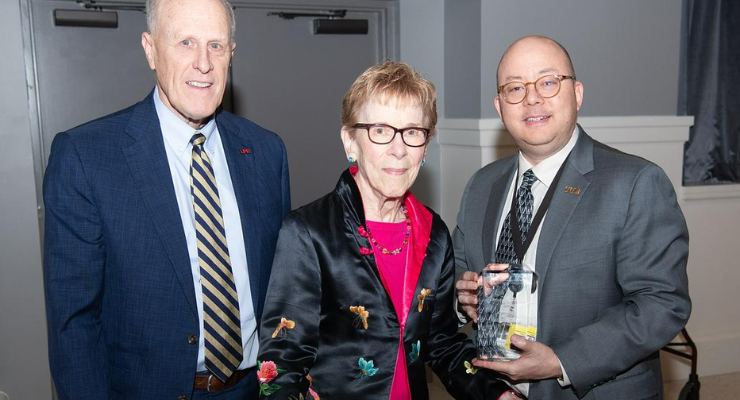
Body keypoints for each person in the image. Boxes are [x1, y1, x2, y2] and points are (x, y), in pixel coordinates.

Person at [42, 0, 290, 398]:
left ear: (231, 54)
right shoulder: (87, 157)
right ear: (150, 49)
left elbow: (282, 293)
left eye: (216, 45)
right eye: (185, 43)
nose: (203, 64)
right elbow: (74, 326)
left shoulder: (265, 152)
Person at [256, 61, 515, 400]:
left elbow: (442, 343)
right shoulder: (308, 232)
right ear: (350, 142)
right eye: (380, 130)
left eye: (412, 132)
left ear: (425, 146)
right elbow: (282, 364)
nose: (399, 148)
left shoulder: (433, 232)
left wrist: (497, 394)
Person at [454, 35, 691, 399]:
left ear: (576, 94)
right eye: (515, 88)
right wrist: (462, 298)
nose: (532, 97)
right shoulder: (481, 186)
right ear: (500, 108)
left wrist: (561, 360)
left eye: (548, 82)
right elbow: (455, 278)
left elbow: (660, 304)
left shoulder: (635, 183)